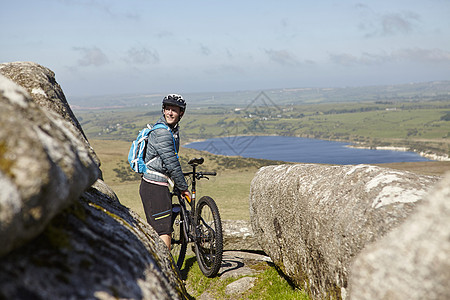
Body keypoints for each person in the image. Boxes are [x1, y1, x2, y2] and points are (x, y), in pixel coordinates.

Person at [139, 94, 190, 249]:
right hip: (154, 186)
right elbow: (172, 163)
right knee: (164, 231)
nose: (170, 113)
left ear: (181, 113)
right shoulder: (162, 133)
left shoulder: (172, 130)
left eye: (174, 110)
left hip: (158, 185)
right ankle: (168, 272)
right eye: (167, 109)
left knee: (160, 229)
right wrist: (183, 187)